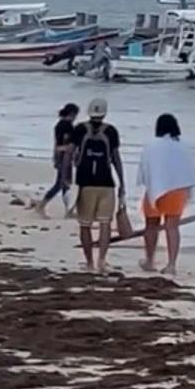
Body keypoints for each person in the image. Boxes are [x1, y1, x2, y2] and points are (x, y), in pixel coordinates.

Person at [139, 110, 195, 274]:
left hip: (155, 189)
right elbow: (190, 171)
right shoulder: (183, 146)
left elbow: (145, 169)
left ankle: (149, 261)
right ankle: (171, 264)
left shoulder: (151, 146)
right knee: (172, 227)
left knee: (151, 225)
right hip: (177, 191)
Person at [70, 102, 125, 273]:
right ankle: (102, 260)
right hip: (106, 184)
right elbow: (116, 158)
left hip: (85, 183)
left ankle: (89, 263)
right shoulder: (111, 131)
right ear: (104, 113)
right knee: (105, 224)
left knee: (85, 225)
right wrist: (122, 182)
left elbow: (69, 154)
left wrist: (66, 177)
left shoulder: (79, 129)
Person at [39, 99, 83, 210]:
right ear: (72, 114)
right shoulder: (66, 126)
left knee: (65, 185)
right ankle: (41, 206)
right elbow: (64, 144)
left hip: (61, 157)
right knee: (61, 184)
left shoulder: (60, 125)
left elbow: (57, 144)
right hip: (64, 158)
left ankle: (68, 209)